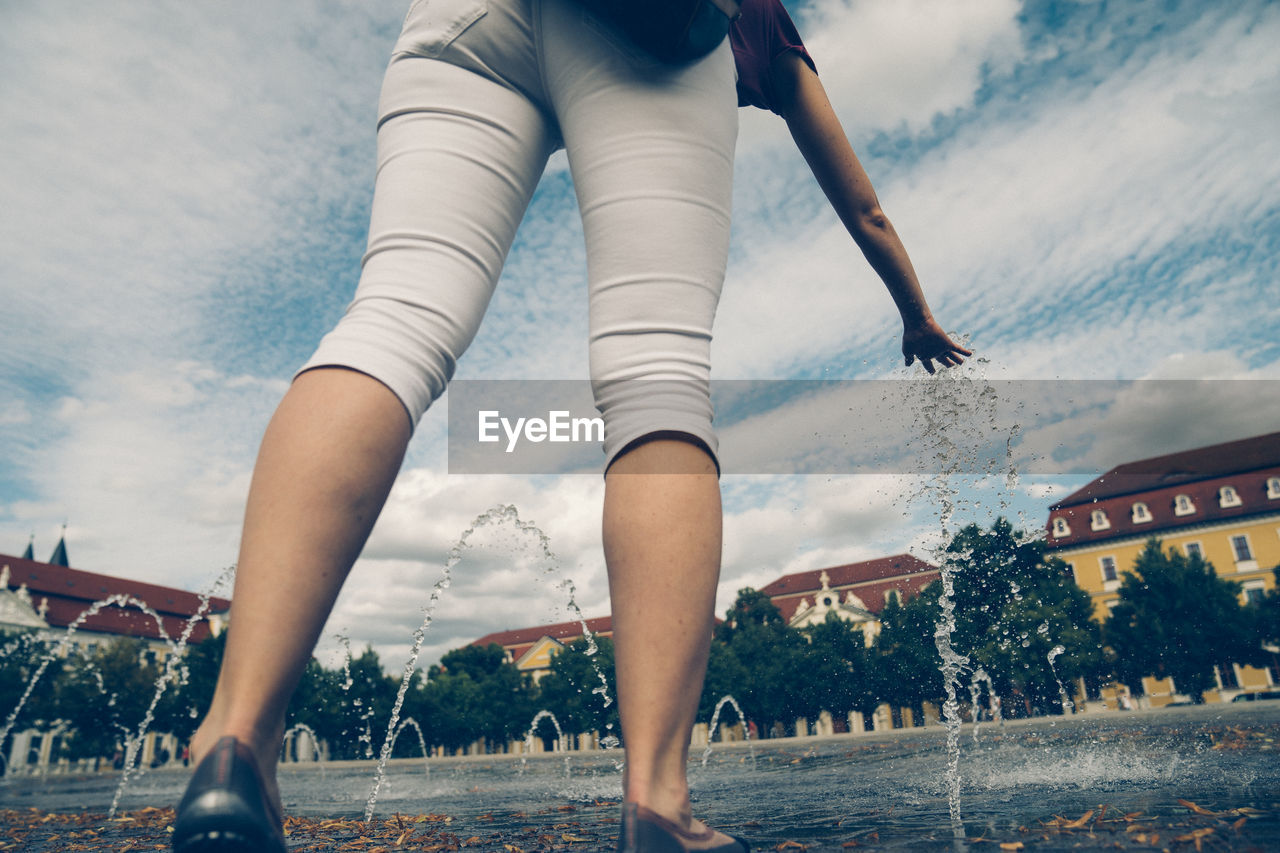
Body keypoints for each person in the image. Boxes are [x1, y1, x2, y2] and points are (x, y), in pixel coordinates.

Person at [171, 0, 968, 851]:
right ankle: (658, 803)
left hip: (468, 21)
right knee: (656, 376)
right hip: (653, 32)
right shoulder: (765, 24)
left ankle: (236, 742)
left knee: (395, 316)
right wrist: (915, 314)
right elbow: (865, 206)